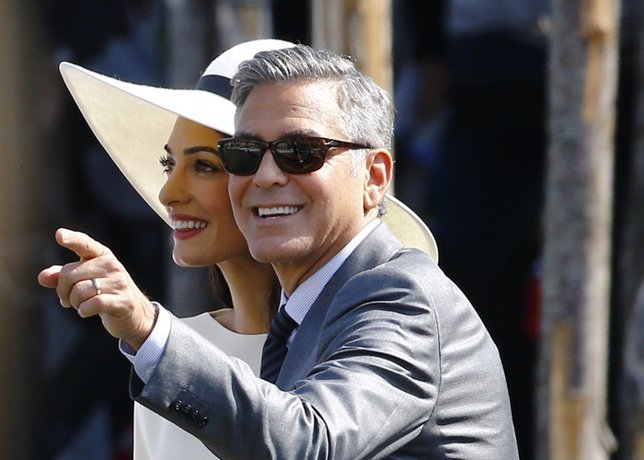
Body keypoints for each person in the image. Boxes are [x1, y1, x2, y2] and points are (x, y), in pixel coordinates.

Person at [39, 44, 513, 458]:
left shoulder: (397, 296)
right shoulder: (304, 315)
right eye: (244, 153)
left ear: (374, 179)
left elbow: (310, 445)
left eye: (301, 152)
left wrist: (148, 330)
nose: (265, 176)